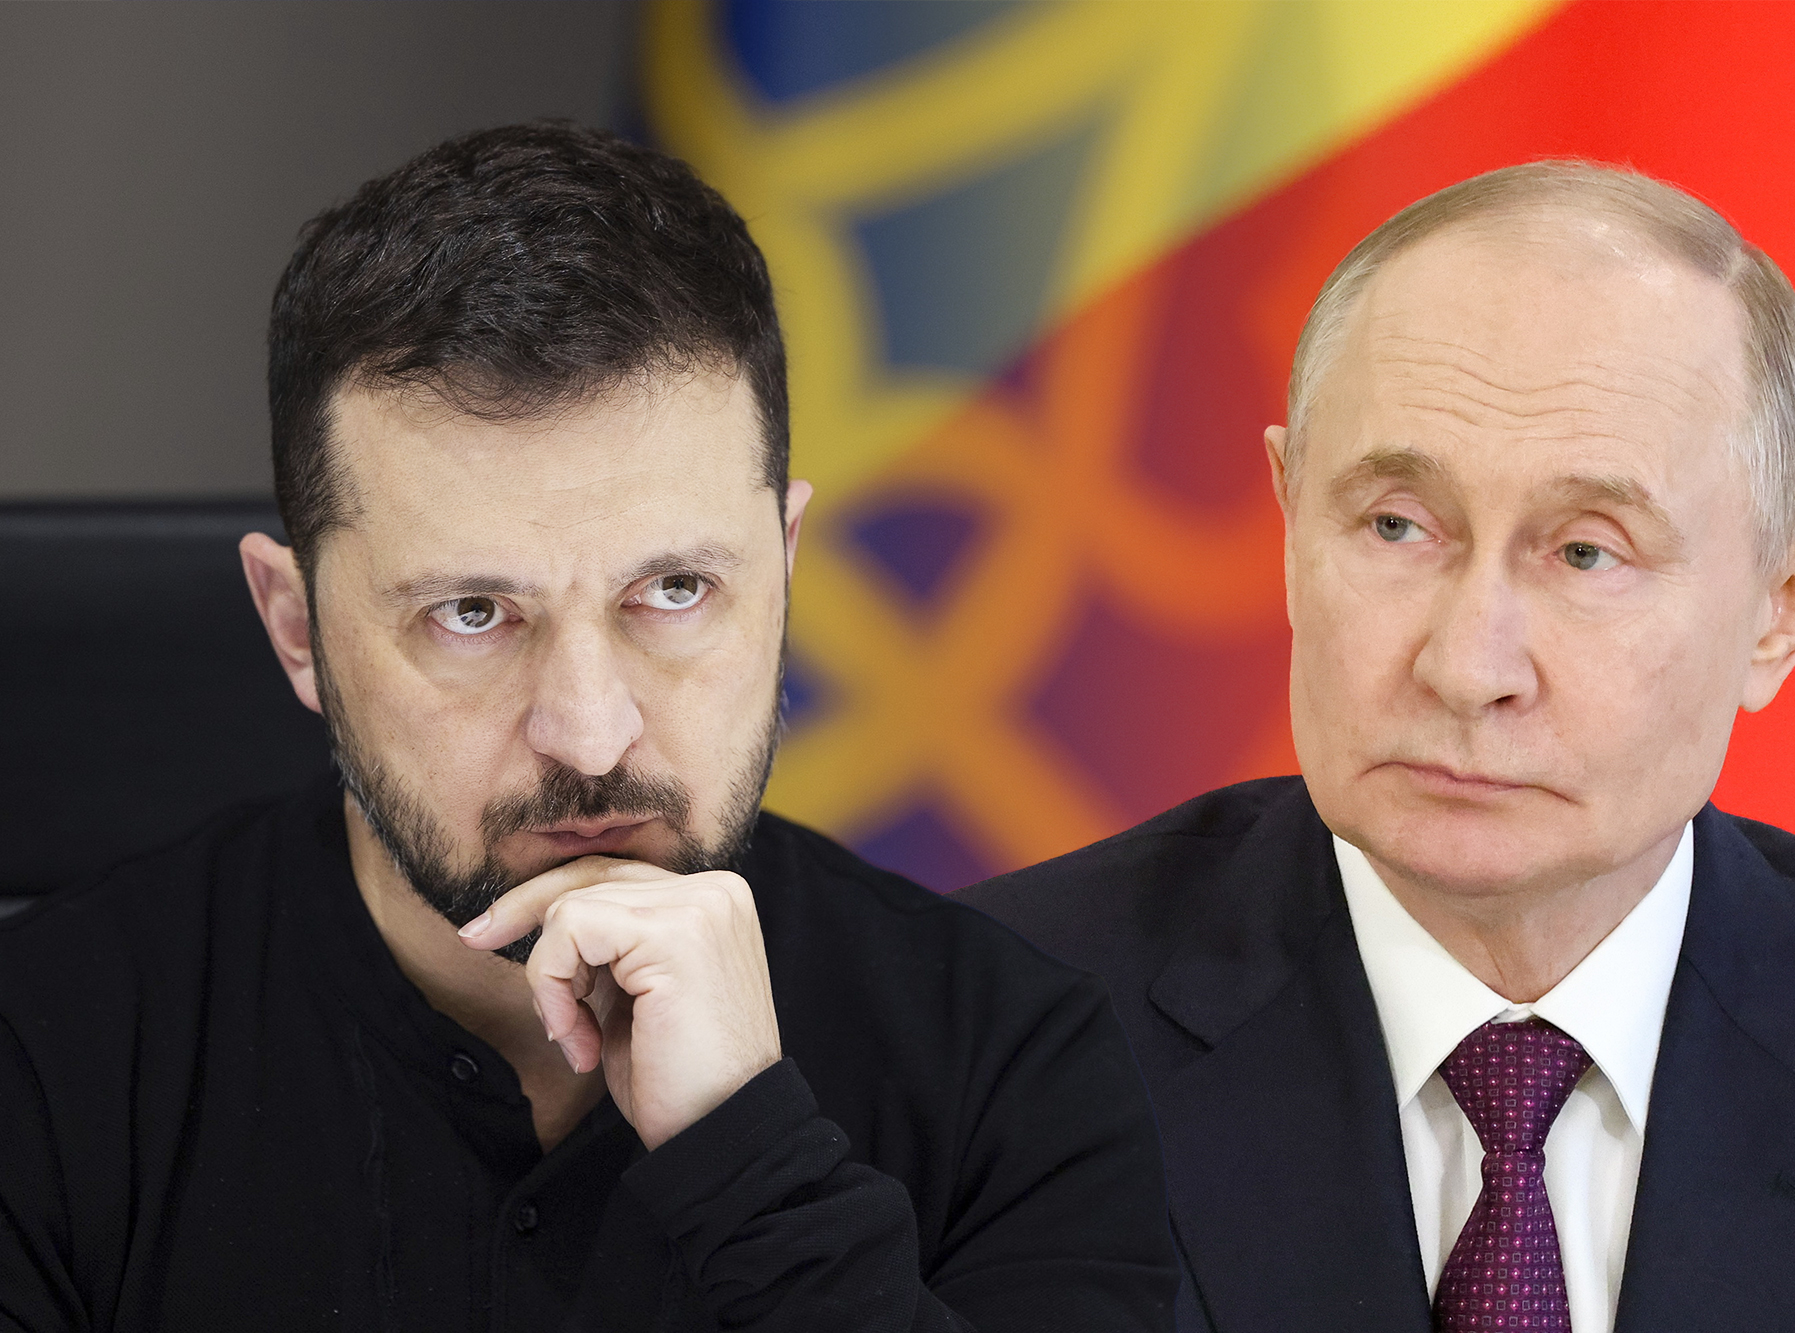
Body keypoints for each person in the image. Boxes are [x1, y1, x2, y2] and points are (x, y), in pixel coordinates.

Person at [0, 122, 1176, 1333]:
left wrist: (754, 1161)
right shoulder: (39, 1058)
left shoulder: (1008, 1061)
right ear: (295, 626)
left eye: (675, 590)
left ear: (783, 566)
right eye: (471, 613)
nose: (590, 735)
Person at [958, 161, 1795, 1333]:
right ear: (1289, 519)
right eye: (1395, 525)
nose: (1465, 667)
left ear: (1784, 603)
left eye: (1585, 552)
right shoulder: (968, 1039)